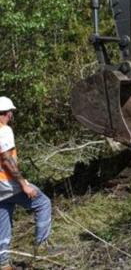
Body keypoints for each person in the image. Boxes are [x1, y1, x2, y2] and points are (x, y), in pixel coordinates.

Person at [0, 97, 52, 270]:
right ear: (7, 113)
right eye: (11, 113)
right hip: (7, 183)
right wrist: (23, 184)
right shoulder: (4, 130)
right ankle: (42, 249)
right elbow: (7, 159)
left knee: (3, 220)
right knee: (43, 203)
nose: (11, 116)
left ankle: (3, 263)